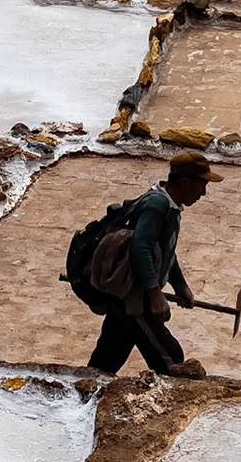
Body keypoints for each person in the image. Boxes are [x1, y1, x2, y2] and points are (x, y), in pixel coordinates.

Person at [88, 150, 222, 375]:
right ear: (186, 182)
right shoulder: (157, 205)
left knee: (106, 360)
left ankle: (82, 394)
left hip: (129, 297)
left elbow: (166, 250)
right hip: (134, 298)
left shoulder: (169, 206)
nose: (204, 193)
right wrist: (155, 295)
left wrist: (180, 286)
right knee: (171, 359)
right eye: (202, 185)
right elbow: (142, 247)